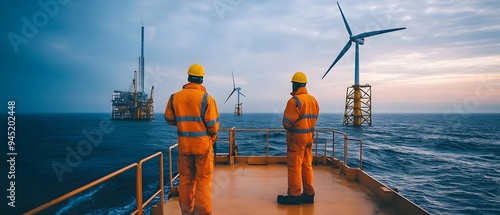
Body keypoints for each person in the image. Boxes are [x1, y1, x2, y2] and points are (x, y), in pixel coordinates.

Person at [165, 63, 220, 215]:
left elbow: (169, 119)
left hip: (184, 146)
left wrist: (184, 124)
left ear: (188, 78)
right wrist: (212, 139)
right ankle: (201, 212)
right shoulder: (207, 99)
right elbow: (213, 127)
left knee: (186, 180)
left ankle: (187, 211)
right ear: (202, 80)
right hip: (202, 147)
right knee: (203, 180)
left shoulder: (174, 98)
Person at [278, 71, 319, 205]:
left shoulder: (294, 101)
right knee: (307, 164)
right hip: (309, 138)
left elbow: (287, 123)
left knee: (294, 166)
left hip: (297, 139)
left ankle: (294, 195)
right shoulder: (313, 100)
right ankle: (309, 194)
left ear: (295, 85)